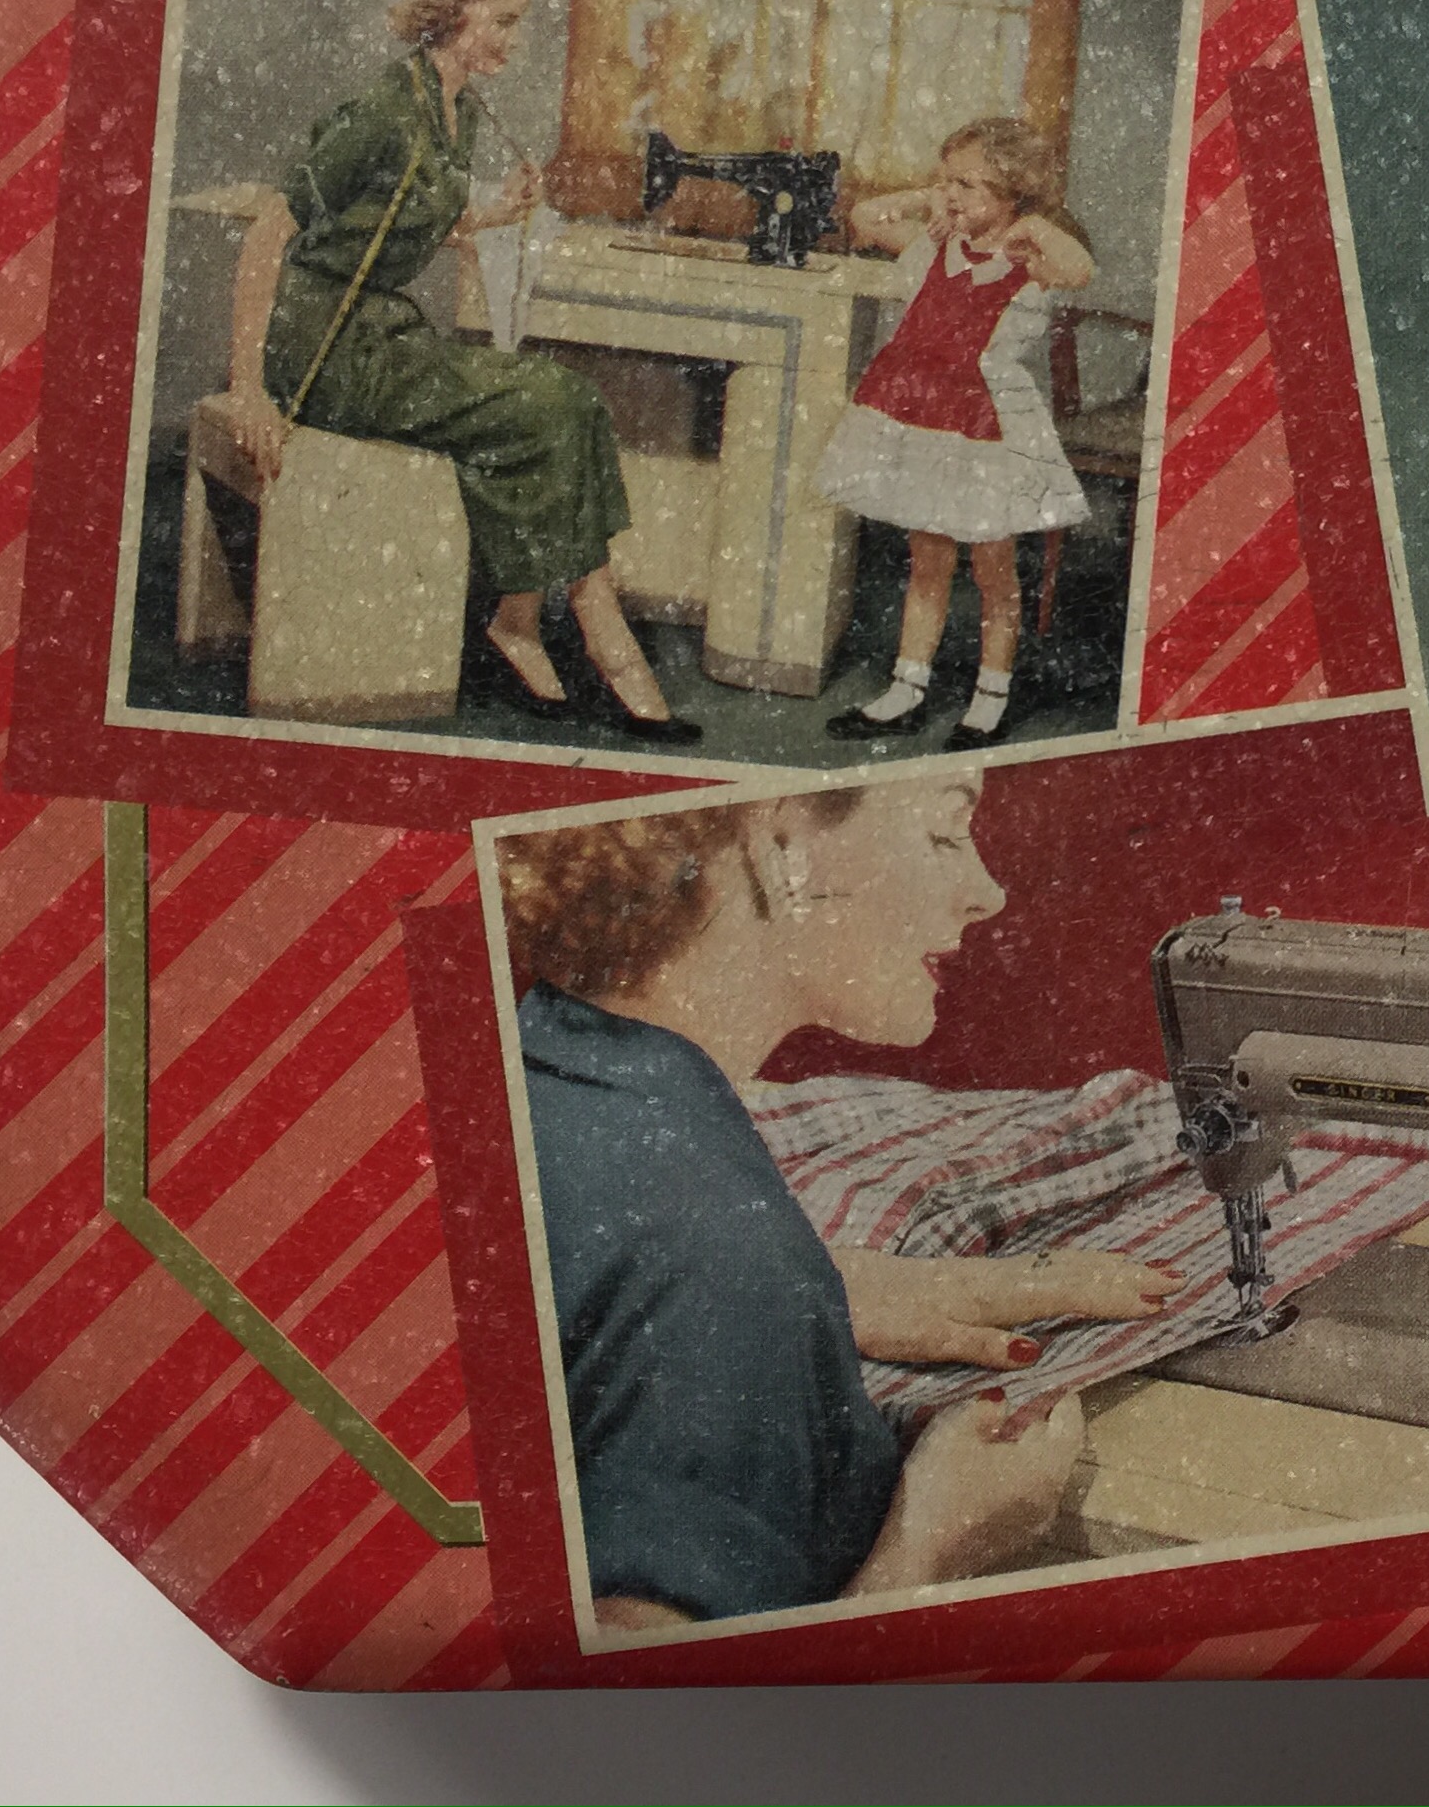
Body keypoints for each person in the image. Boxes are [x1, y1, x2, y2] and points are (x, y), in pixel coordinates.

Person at [495, 776, 1178, 1629]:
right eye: (945, 833)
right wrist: (927, 1554)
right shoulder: (715, 1260)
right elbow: (652, 1696)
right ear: (782, 842)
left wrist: (819, 1284)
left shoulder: (541, 1065)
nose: (987, 891)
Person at [223, 0, 697, 743]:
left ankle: (531, 619)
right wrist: (247, 388)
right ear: (452, 11)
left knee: (570, 400)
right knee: (550, 398)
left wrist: (494, 212)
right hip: (324, 345)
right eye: (503, 20)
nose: (515, 38)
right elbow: (272, 229)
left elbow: (401, 218)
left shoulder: (458, 109)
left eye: (519, 21)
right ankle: (588, 628)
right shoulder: (384, 110)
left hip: (381, 333)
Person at [816, 117, 1093, 752]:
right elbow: (864, 217)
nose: (952, 195)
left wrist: (1031, 225)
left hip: (984, 433)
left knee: (994, 571)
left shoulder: (1031, 263)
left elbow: (1080, 269)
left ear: (1012, 192)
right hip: (922, 422)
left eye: (969, 185)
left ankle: (989, 699)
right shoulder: (933, 245)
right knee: (928, 562)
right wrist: (930, 198)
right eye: (949, 181)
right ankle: (907, 688)